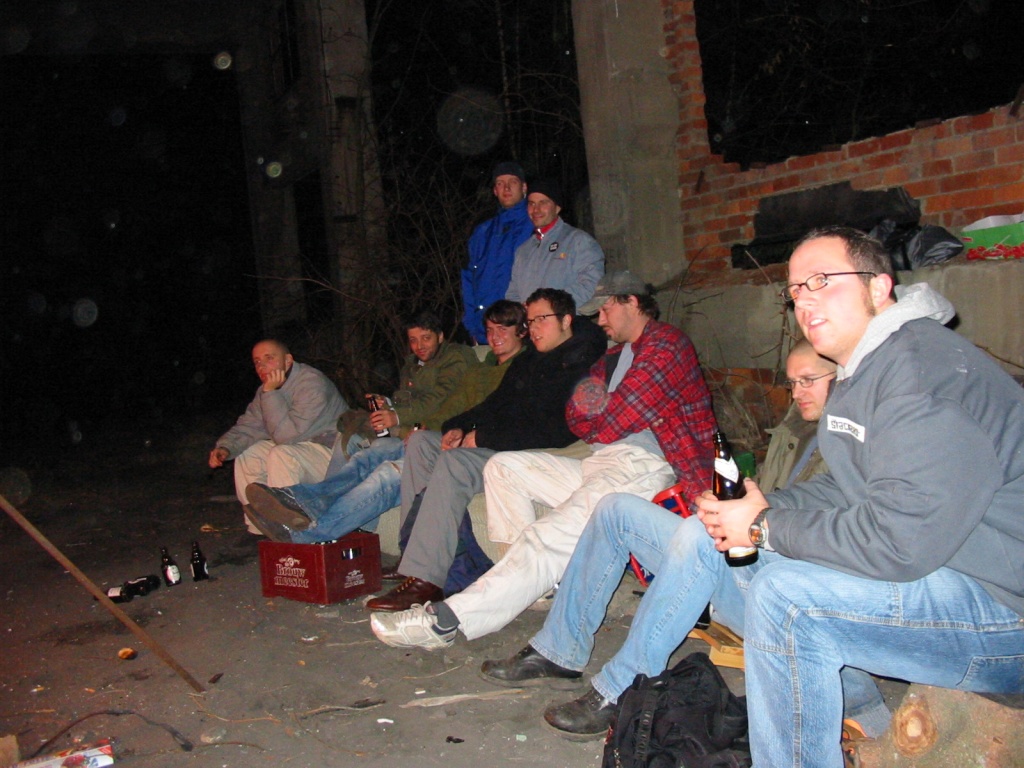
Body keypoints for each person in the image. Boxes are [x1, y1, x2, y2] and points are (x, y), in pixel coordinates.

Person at [475, 338, 890, 745]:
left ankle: (623, 688)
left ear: (844, 377)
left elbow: (853, 534)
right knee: (616, 509)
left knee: (696, 536)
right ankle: (558, 651)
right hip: (751, 556)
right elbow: (789, 499)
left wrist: (758, 521)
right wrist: (736, 508)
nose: (796, 393)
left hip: (786, 590)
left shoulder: (866, 440)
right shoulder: (804, 429)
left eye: (808, 380)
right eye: (792, 382)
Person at [370, 270, 716, 648]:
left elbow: (613, 417)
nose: (599, 319)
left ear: (632, 302)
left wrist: (599, 417)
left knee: (548, 536)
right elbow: (577, 415)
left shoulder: (666, 344)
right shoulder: (614, 356)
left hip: (644, 466)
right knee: (503, 468)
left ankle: (448, 620)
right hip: (600, 461)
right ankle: (535, 587)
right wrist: (599, 417)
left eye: (605, 309)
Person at [364, 288, 607, 612]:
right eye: (531, 320)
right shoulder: (531, 358)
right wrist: (457, 426)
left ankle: (426, 578)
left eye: (542, 319)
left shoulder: (578, 362)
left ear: (566, 320)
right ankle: (413, 555)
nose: (534, 328)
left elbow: (555, 431)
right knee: (422, 443)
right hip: (500, 441)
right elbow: (495, 403)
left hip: (529, 453)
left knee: (455, 463)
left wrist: (482, 437)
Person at [244, 303, 525, 544]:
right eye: (490, 330)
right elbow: (454, 408)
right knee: (367, 455)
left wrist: (410, 423)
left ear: (521, 331)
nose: (494, 336)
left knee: (387, 474)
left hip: (468, 448)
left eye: (503, 329)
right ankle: (298, 499)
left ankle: (306, 534)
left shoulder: (515, 367)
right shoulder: (481, 368)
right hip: (435, 435)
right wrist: (408, 421)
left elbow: (455, 404)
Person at [208, 339, 347, 533]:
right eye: (257, 362)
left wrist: (270, 393)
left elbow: (287, 437)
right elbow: (250, 425)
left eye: (269, 358)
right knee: (249, 454)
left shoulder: (311, 383)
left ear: (288, 361)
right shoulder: (267, 390)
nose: (262, 366)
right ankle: (261, 526)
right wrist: (226, 447)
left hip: (333, 456)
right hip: (301, 449)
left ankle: (291, 527)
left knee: (281, 454)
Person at [462, 162, 534, 344]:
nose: (506, 188)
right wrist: (472, 325)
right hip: (486, 332)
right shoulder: (482, 232)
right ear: (495, 190)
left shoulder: (535, 223)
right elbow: (469, 279)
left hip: (523, 329)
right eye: (500, 183)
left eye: (513, 182)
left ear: (524, 187)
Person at [504, 179, 604, 310]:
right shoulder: (523, 250)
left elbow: (592, 284)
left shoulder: (578, 241)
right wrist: (520, 313)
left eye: (543, 202)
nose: (536, 210)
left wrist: (549, 307)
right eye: (531, 204)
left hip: (568, 320)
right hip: (531, 322)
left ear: (557, 207)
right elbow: (513, 294)